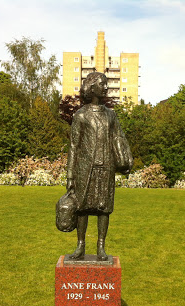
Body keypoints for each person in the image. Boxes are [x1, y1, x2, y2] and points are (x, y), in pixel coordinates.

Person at [66, 72, 132, 261]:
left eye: (106, 84)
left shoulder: (111, 115)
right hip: (84, 168)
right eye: (102, 84)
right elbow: (74, 146)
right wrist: (70, 176)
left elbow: (119, 138)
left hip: (106, 167)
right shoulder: (81, 115)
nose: (105, 87)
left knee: (104, 208)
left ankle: (101, 246)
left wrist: (125, 159)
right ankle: (80, 245)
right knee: (82, 207)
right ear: (92, 87)